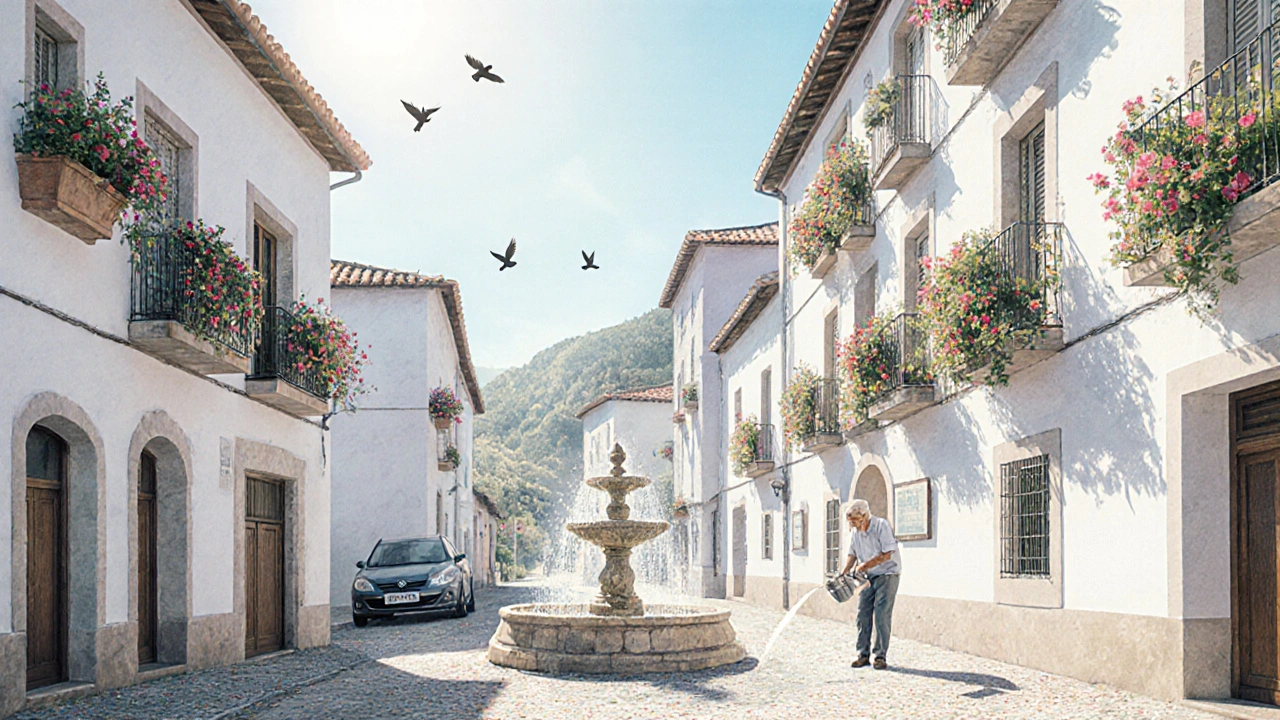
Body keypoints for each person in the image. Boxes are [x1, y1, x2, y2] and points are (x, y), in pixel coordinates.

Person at [840, 498, 900, 670]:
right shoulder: (855, 532)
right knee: (863, 614)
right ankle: (863, 655)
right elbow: (852, 554)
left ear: (865, 516)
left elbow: (887, 554)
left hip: (888, 573)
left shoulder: (881, 526)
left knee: (881, 615)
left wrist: (865, 565)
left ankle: (880, 656)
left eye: (855, 520)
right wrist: (845, 572)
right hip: (868, 576)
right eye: (850, 521)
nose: (852, 524)